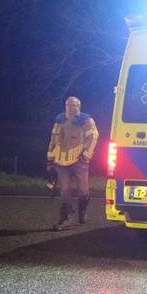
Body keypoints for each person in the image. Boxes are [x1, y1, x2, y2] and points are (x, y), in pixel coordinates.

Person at [46, 96, 99, 231]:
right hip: (61, 161)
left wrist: (86, 155)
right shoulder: (59, 120)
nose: (70, 108)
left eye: (73, 105)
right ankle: (66, 219)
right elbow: (53, 140)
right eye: (68, 105)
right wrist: (50, 160)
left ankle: (82, 213)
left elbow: (93, 136)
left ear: (79, 107)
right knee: (64, 191)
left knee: (83, 191)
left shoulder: (86, 120)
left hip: (79, 161)